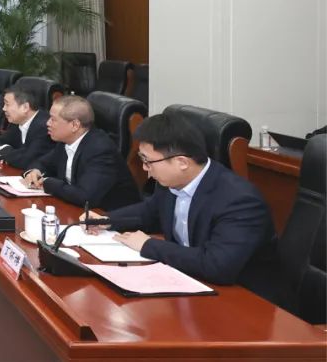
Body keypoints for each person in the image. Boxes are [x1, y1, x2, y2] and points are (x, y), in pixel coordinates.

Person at [85, 113, 281, 301]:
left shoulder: (239, 200)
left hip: (243, 299)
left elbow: (217, 265)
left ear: (182, 162)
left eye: (148, 161)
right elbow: (149, 212)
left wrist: (148, 245)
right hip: (189, 280)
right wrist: (107, 220)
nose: (144, 168)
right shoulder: (171, 182)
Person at [23, 96, 140, 211]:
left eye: (53, 119)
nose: (47, 123)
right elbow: (42, 163)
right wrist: (35, 171)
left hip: (111, 216)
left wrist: (47, 182)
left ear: (75, 125)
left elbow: (85, 197)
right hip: (77, 209)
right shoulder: (65, 141)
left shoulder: (101, 150)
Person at [0, 83, 55, 169]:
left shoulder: (45, 127)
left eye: (7, 104)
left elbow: (26, 161)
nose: (3, 108)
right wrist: (5, 152)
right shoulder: (17, 121)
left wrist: (3, 151)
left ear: (25, 107)